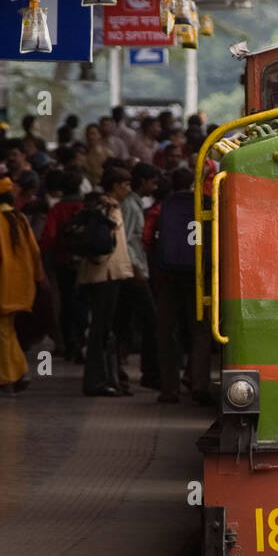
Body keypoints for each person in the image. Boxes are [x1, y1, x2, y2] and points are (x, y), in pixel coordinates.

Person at [0, 177, 46, 394]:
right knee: (7, 330)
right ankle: (20, 371)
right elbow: (35, 250)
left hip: (0, 286)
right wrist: (38, 277)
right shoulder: (20, 217)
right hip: (22, 285)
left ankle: (5, 381)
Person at [150, 167, 212, 404]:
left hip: (168, 276)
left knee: (166, 331)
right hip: (200, 276)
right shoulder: (207, 202)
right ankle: (200, 386)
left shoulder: (163, 206)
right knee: (201, 331)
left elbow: (149, 239)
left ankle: (169, 389)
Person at [78, 166, 137, 396]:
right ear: (115, 186)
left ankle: (105, 378)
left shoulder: (108, 206)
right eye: (126, 185)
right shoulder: (106, 208)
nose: (128, 189)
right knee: (99, 330)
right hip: (104, 274)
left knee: (104, 329)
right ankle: (96, 381)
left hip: (110, 274)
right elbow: (103, 244)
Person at [121, 162, 162, 389]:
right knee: (150, 319)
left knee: (125, 321)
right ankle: (150, 372)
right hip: (133, 272)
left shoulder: (136, 204)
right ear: (143, 181)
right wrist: (137, 269)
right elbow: (126, 241)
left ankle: (118, 370)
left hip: (135, 271)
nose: (154, 187)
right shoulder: (131, 206)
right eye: (152, 182)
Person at [39, 171, 87, 363]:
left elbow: (49, 236)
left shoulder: (57, 209)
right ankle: (82, 341)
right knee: (83, 302)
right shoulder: (86, 207)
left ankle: (69, 344)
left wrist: (40, 256)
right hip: (84, 262)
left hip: (62, 261)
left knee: (66, 302)